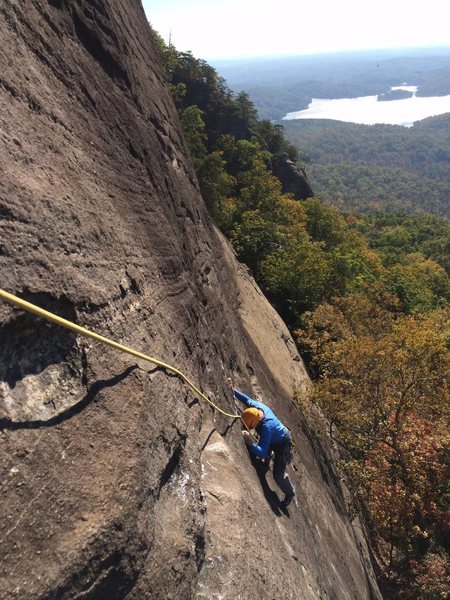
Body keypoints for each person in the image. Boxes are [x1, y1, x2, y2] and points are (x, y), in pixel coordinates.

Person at [232, 388, 295, 508]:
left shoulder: (267, 426)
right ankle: (269, 455)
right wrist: (233, 391)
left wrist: (250, 443)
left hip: (282, 444)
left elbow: (260, 452)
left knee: (278, 475)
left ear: (258, 421)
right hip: (274, 436)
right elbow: (247, 399)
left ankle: (290, 493)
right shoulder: (256, 408)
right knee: (265, 447)